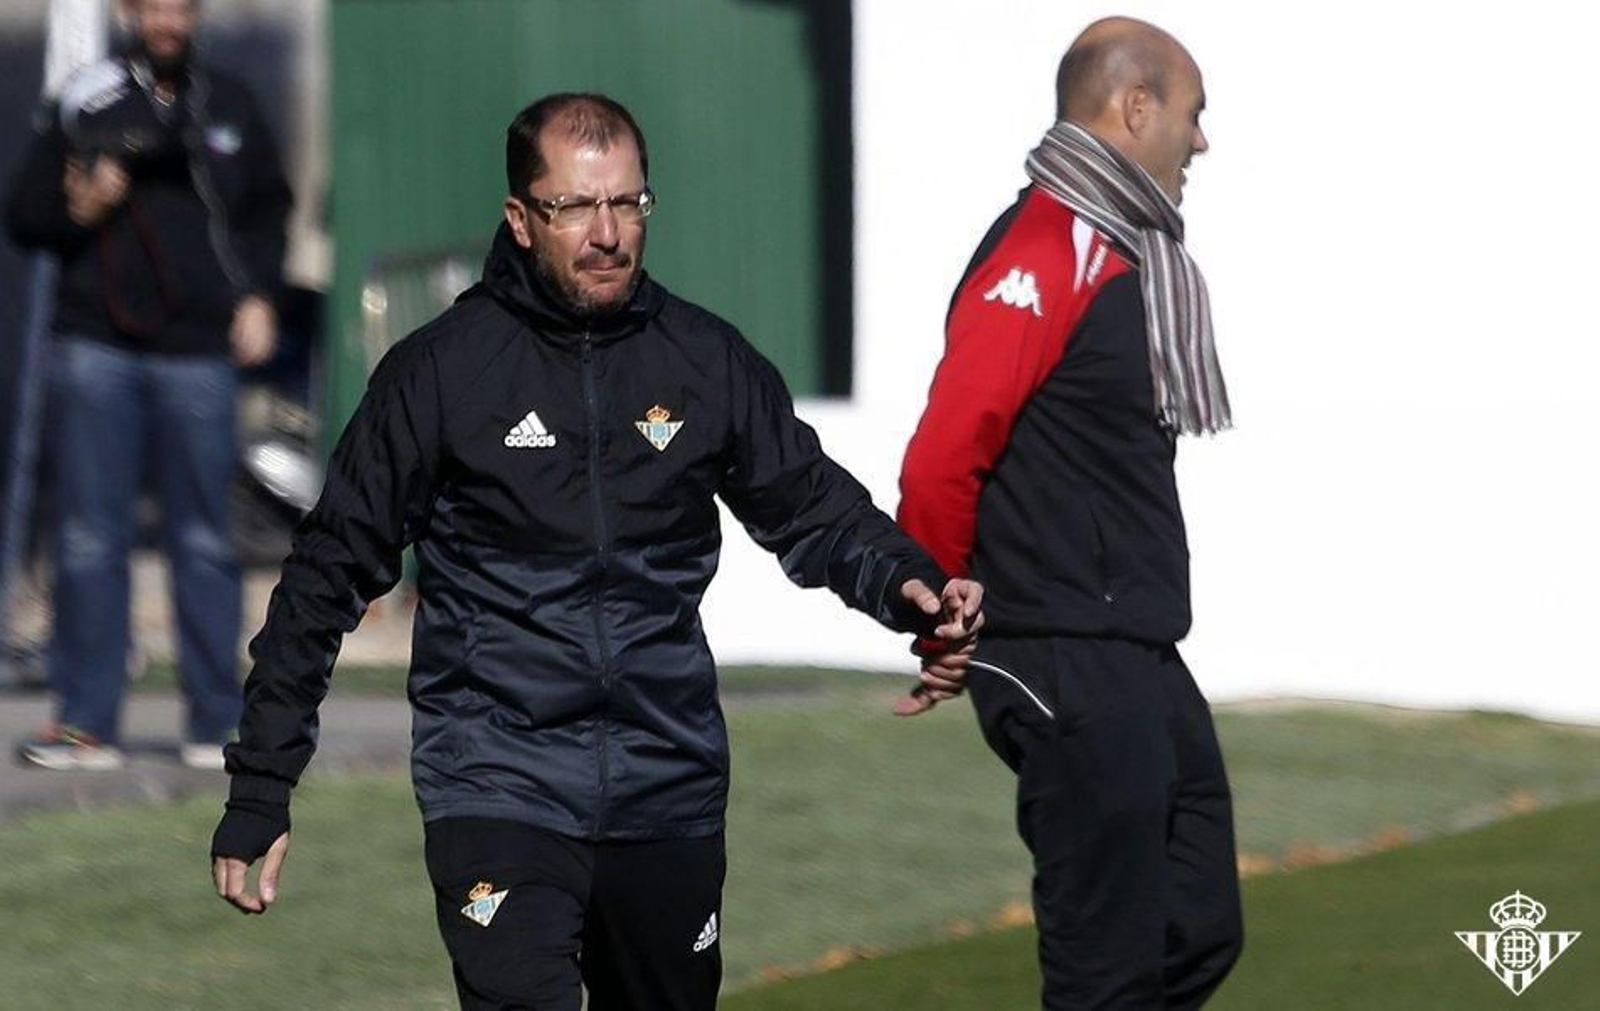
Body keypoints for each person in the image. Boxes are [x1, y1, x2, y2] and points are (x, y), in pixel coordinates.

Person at [208, 93, 981, 1010]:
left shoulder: (704, 359)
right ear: (521, 219)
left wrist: (912, 587)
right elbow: (324, 579)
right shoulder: (440, 373)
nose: (607, 232)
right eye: (576, 207)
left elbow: (811, 508)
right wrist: (262, 782)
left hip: (669, 784)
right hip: (497, 785)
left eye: (628, 203)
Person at [897, 17, 1243, 1009]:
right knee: (1105, 968)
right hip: (1057, 647)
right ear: (1135, 109)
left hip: (1131, 647)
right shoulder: (1049, 247)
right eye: (1192, 113)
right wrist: (939, 618)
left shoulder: (1130, 254)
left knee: (1198, 926)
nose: (1202, 141)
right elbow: (941, 454)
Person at [5, 0, 291, 771]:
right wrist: (79, 206)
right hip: (96, 345)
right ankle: (86, 723)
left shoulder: (227, 102)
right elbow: (25, 214)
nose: (169, 22)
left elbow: (270, 208)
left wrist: (261, 295)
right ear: (130, 12)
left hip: (199, 350)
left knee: (204, 538)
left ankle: (216, 720)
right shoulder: (85, 96)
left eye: (183, 8)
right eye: (155, 7)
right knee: (89, 537)